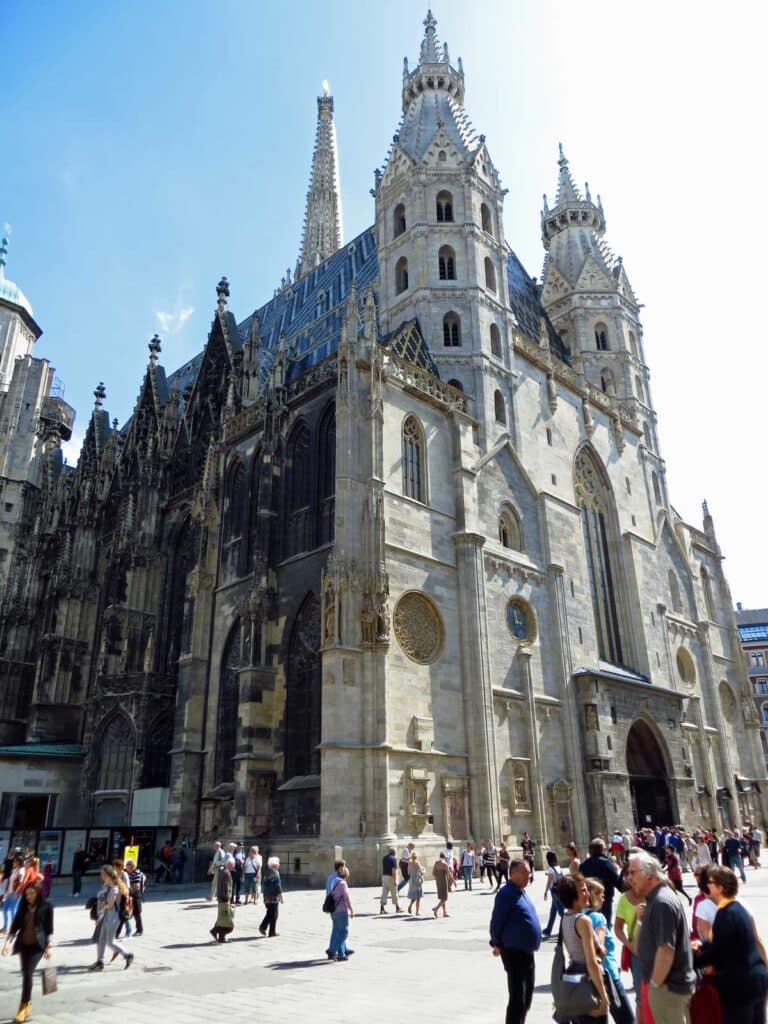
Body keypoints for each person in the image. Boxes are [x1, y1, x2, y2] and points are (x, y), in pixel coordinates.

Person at [693, 865, 768, 1023]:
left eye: (710, 882)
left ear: (720, 888)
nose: (707, 885)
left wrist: (693, 959)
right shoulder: (737, 907)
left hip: (740, 986)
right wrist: (703, 944)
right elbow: (725, 941)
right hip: (754, 980)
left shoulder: (726, 914)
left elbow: (718, 952)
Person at [627, 850, 695, 1024]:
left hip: (668, 987)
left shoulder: (661, 902)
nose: (629, 878)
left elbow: (666, 949)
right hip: (666, 986)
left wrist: (655, 985)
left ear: (649, 876)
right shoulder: (655, 900)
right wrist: (642, 921)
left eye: (633, 873)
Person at [489, 859, 542, 1024]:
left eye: (529, 872)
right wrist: (496, 943)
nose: (529, 875)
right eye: (525, 872)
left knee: (526, 998)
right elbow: (496, 921)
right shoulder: (505, 894)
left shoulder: (520, 892)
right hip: (514, 953)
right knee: (518, 999)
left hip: (527, 953)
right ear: (512, 874)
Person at [555, 873, 610, 1024]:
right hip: (588, 983)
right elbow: (591, 962)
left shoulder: (566, 917)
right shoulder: (583, 920)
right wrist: (604, 998)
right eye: (583, 891)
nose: (587, 894)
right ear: (573, 895)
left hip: (574, 982)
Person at [1, 881, 53, 1023]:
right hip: (23, 945)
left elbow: (49, 929)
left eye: (32, 893)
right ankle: (28, 1004)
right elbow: (15, 927)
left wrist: (49, 946)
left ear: (37, 893)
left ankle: (22, 1008)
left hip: (38, 946)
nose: (29, 896)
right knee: (25, 974)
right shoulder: (23, 906)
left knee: (28, 974)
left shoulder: (46, 907)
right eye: (27, 894)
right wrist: (6, 944)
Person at [585, 877, 636, 1024]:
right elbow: (599, 949)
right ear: (593, 896)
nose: (604, 898)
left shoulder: (578, 916)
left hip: (588, 978)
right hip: (608, 975)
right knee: (627, 1019)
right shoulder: (598, 918)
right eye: (601, 894)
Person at [89, 864, 134, 970]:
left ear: (107, 875)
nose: (101, 875)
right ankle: (100, 961)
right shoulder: (107, 886)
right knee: (101, 939)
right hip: (106, 916)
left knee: (110, 941)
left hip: (113, 916)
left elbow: (110, 904)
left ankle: (127, 955)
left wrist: (102, 908)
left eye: (102, 873)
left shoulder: (115, 888)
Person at [614, 878, 646, 1024]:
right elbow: (618, 928)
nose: (632, 879)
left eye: (634, 874)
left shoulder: (653, 894)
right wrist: (629, 945)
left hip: (657, 951)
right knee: (641, 997)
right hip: (637, 953)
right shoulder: (624, 899)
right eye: (629, 874)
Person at [580, 838, 625, 925]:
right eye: (604, 848)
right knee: (604, 926)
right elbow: (618, 883)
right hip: (604, 900)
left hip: (588, 901)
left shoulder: (583, 866)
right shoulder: (606, 863)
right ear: (602, 850)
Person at [326, 860, 354, 961]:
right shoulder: (342, 883)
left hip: (332, 907)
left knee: (336, 930)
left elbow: (328, 892)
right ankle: (332, 950)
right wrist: (351, 909)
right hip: (341, 909)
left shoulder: (331, 878)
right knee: (343, 931)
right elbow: (346, 898)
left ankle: (342, 952)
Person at [541, 850, 563, 939]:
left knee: (561, 911)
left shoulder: (551, 869)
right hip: (559, 889)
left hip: (553, 891)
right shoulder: (558, 867)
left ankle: (570, 925)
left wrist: (545, 892)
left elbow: (549, 881)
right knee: (553, 911)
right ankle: (548, 929)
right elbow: (560, 877)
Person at [259, 857, 283, 937]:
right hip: (273, 897)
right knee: (274, 914)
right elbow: (277, 885)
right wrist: (281, 896)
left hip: (266, 896)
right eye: (278, 864)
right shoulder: (276, 873)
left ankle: (263, 927)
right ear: (274, 865)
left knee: (270, 913)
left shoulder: (267, 873)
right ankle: (271, 932)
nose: (279, 865)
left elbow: (264, 884)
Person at [210, 863, 233, 943]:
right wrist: (227, 898)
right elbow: (226, 886)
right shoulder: (226, 873)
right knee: (224, 917)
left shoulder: (223, 872)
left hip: (221, 896)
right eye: (233, 865)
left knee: (222, 916)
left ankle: (215, 931)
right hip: (224, 897)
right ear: (229, 865)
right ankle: (221, 936)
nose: (233, 866)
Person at [2, 857, 26, 934]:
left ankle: (14, 928)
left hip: (16, 893)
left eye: (15, 861)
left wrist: (16, 892)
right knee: (5, 909)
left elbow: (21, 883)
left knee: (13, 910)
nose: (13, 862)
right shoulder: (14, 870)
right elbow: (10, 882)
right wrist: (6, 893)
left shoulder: (21, 871)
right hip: (9, 892)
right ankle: (5, 927)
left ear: (19, 862)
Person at [125, 859, 145, 936]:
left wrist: (128, 888)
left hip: (136, 895)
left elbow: (137, 886)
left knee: (137, 913)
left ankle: (139, 930)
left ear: (132, 866)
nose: (126, 866)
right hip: (130, 895)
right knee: (126, 913)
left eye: (128, 864)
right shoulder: (127, 873)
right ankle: (125, 930)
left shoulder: (136, 873)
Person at [379, 846, 400, 914]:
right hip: (391, 877)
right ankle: (397, 908)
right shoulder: (394, 858)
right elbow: (394, 870)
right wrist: (395, 879)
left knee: (384, 893)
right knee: (394, 892)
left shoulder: (384, 858)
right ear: (394, 852)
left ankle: (382, 908)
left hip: (384, 876)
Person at [432, 852, 453, 918]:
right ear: (445, 857)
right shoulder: (445, 864)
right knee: (445, 898)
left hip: (438, 881)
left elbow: (433, 873)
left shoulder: (436, 863)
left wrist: (437, 877)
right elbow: (449, 875)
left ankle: (444, 912)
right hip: (444, 881)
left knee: (442, 897)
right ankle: (436, 908)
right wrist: (454, 882)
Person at [407, 850, 424, 916]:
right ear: (416, 857)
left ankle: (410, 905)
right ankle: (417, 912)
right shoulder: (417, 862)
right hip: (417, 880)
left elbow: (408, 872)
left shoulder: (409, 863)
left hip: (412, 881)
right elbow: (421, 871)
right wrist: (423, 870)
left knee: (414, 895)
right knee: (418, 897)